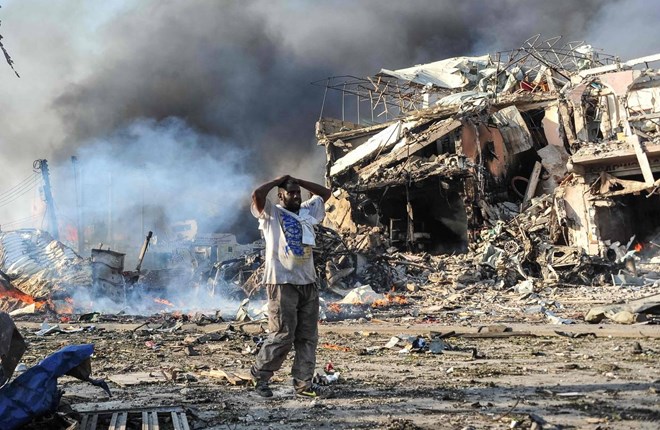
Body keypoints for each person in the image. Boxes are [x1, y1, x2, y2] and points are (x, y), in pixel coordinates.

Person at [249, 175, 332, 398]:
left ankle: (304, 384)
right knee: (282, 334)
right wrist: (279, 179)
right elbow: (257, 194)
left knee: (307, 337)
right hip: (281, 282)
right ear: (280, 195)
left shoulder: (306, 211)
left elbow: (325, 193)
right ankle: (260, 377)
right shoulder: (271, 214)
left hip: (307, 281)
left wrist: (299, 181)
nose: (295, 196)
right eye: (290, 192)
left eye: (297, 193)